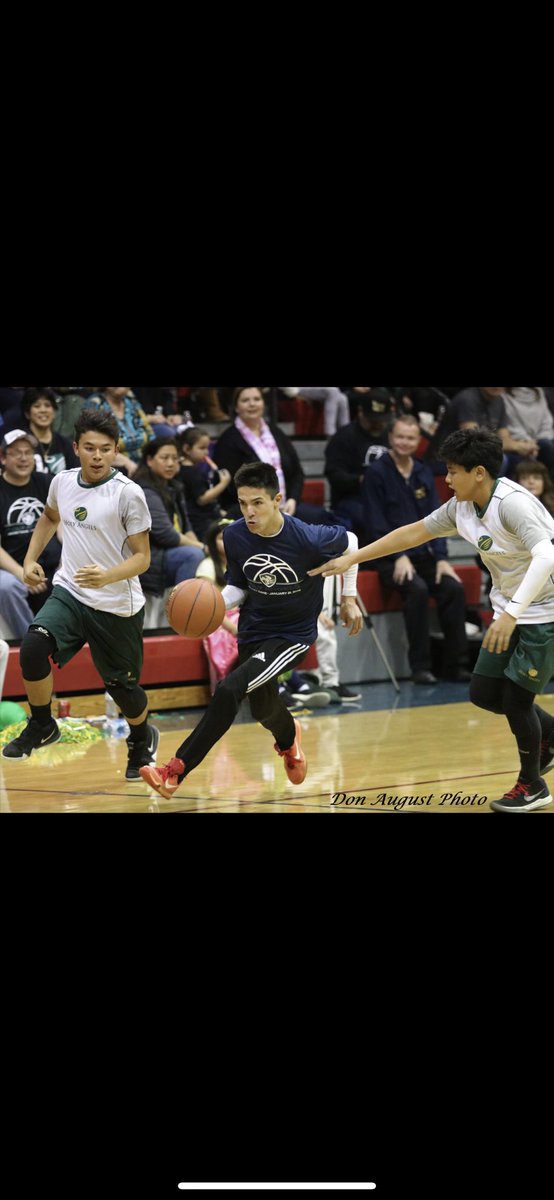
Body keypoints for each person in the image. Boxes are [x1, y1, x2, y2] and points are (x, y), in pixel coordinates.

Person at [309, 428, 554, 813]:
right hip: (512, 605)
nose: (447, 479)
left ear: (478, 473)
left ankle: (532, 785)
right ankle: (551, 734)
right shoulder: (461, 506)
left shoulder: (513, 504)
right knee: (484, 693)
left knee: (517, 699)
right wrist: (353, 558)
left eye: (453, 471)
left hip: (544, 612)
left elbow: (545, 556)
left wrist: (510, 614)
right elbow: (413, 533)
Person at [139, 462, 363, 799]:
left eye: (257, 502)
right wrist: (211, 602)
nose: (249, 512)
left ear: (277, 500)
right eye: (243, 504)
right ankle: (289, 741)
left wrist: (348, 598)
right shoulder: (234, 535)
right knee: (262, 709)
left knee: (229, 689)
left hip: (291, 636)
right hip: (254, 630)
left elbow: (352, 542)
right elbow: (240, 587)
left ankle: (175, 770)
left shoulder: (308, 537)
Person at [1, 409, 160, 782]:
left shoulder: (128, 494)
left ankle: (140, 738)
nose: (97, 455)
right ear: (76, 448)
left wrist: (107, 576)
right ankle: (43, 725)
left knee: (123, 688)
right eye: (89, 448)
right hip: (70, 590)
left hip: (117, 604)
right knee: (33, 646)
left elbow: (142, 559)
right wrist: (28, 560)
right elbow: (49, 518)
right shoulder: (62, 481)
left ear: (116, 449)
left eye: (106, 449)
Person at [362, 414, 470, 684]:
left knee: (452, 588)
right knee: (417, 589)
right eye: (399, 436)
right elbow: (374, 521)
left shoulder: (422, 470)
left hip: (423, 554)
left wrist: (443, 559)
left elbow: (440, 517)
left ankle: (456, 666)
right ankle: (420, 667)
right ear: (390, 438)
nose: (404, 442)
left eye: (410, 438)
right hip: (387, 556)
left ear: (419, 441)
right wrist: (398, 555)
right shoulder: (376, 472)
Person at [214, 386, 343, 525]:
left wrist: (293, 499)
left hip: (286, 505)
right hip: (249, 510)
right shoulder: (228, 441)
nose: (252, 404)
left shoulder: (276, 432)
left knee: (326, 519)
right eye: (245, 400)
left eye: (256, 399)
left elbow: (297, 472)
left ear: (263, 403)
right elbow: (231, 487)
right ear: (236, 407)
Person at [133, 438, 205, 594]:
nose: (171, 463)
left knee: (205, 553)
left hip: (167, 552)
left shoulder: (174, 487)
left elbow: (187, 527)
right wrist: (202, 548)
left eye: (174, 458)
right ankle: (182, 606)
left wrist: (203, 547)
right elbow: (166, 535)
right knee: (193, 555)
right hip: (151, 556)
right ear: (150, 460)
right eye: (164, 458)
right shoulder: (144, 491)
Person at [177, 427, 231, 540]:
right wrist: (223, 483)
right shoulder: (191, 472)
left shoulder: (186, 468)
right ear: (187, 449)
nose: (206, 452)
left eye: (207, 448)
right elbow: (202, 499)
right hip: (201, 522)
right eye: (201, 448)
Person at [21, 387, 78, 475]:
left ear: (54, 412)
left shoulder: (66, 444)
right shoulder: (20, 442)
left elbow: (74, 476)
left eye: (47, 405)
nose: (43, 410)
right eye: (37, 406)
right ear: (27, 414)